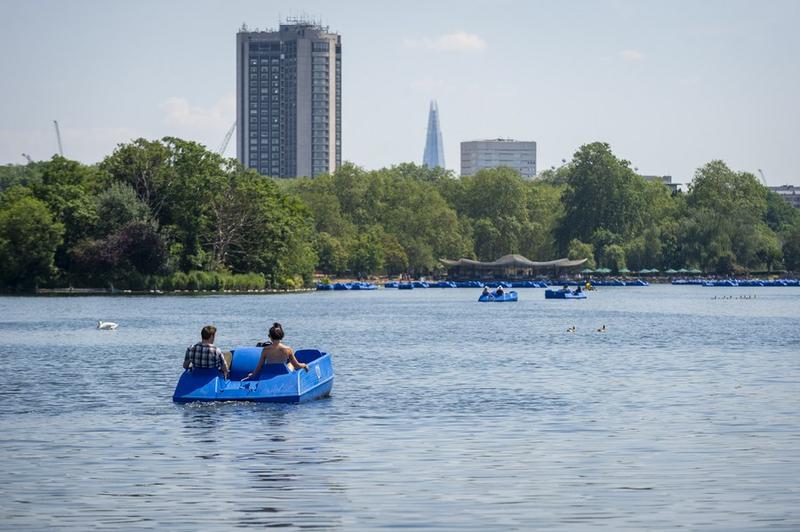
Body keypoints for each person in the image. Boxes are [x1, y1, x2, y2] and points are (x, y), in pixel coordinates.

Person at [243, 323, 308, 380]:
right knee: (290, 364)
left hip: (269, 372)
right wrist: (304, 365)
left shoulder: (265, 350)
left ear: (270, 337)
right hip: (283, 373)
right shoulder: (288, 349)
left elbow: (260, 366)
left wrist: (253, 374)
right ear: (282, 336)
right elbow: (296, 365)